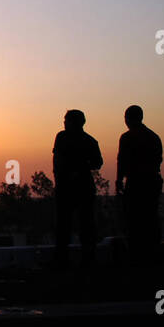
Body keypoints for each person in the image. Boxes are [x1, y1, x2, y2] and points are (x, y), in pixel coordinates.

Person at [52, 109, 103, 269]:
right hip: (75, 187)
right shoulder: (88, 141)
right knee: (75, 224)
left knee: (73, 225)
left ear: (74, 122)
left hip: (74, 187)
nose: (64, 123)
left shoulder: (66, 138)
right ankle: (80, 259)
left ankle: (71, 259)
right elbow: (97, 163)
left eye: (66, 120)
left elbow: (97, 162)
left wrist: (75, 170)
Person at [116, 105, 163, 265]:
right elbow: (158, 160)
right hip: (151, 182)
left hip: (137, 183)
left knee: (134, 219)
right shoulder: (153, 137)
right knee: (150, 217)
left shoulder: (127, 137)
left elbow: (121, 161)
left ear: (129, 118)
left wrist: (119, 180)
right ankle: (152, 251)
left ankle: (137, 254)